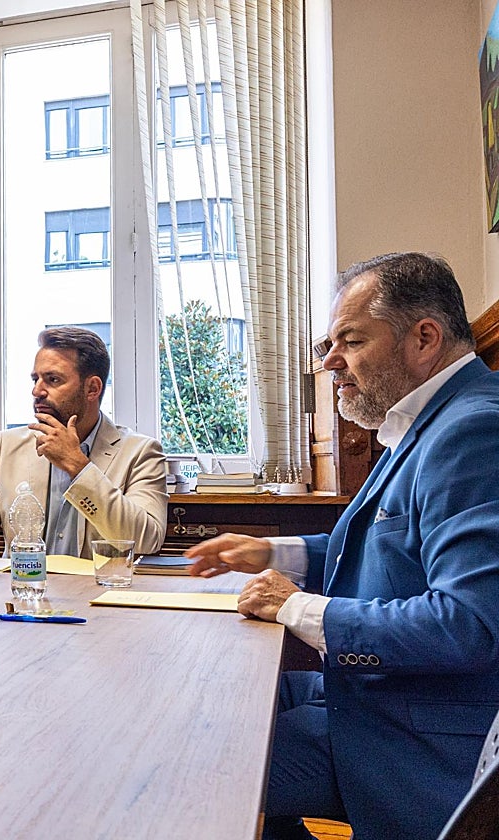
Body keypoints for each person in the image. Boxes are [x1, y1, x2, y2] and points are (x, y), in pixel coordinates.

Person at [185, 253, 499, 840]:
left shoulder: (473, 430)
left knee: (193, 757)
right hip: (383, 698)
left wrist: (295, 606)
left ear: (424, 337)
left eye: (350, 342)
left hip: (416, 738)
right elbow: (384, 551)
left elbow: (468, 626)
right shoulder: (428, 420)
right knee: (239, 700)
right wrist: (274, 553)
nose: (330, 363)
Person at [0, 326, 167, 565]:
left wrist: (79, 467)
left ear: (92, 388)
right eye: (35, 379)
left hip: (95, 595)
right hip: (22, 591)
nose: (37, 391)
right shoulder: (7, 446)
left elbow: (147, 539)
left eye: (53, 380)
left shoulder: (141, 453)